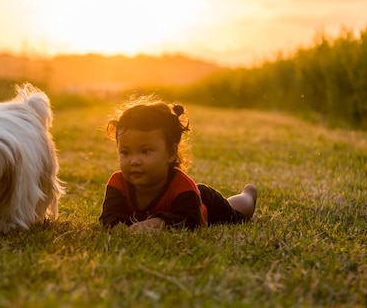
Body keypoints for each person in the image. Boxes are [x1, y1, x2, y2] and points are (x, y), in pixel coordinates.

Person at [99, 95, 257, 231]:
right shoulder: (118, 183)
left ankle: (248, 194)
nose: (134, 161)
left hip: (205, 202)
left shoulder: (182, 186)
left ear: (170, 153)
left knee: (235, 215)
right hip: (191, 197)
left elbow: (190, 221)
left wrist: (158, 223)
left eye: (145, 151)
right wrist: (117, 227)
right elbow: (109, 214)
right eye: (125, 152)